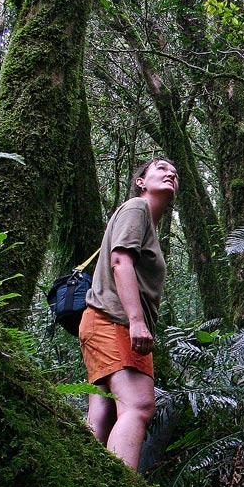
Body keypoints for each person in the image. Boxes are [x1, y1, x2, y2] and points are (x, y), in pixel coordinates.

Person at [78, 157, 177, 471]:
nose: (171, 172)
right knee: (138, 406)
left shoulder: (146, 221)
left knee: (103, 413)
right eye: (160, 168)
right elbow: (120, 261)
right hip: (115, 321)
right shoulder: (137, 209)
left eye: (174, 172)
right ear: (141, 181)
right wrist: (136, 322)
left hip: (102, 321)